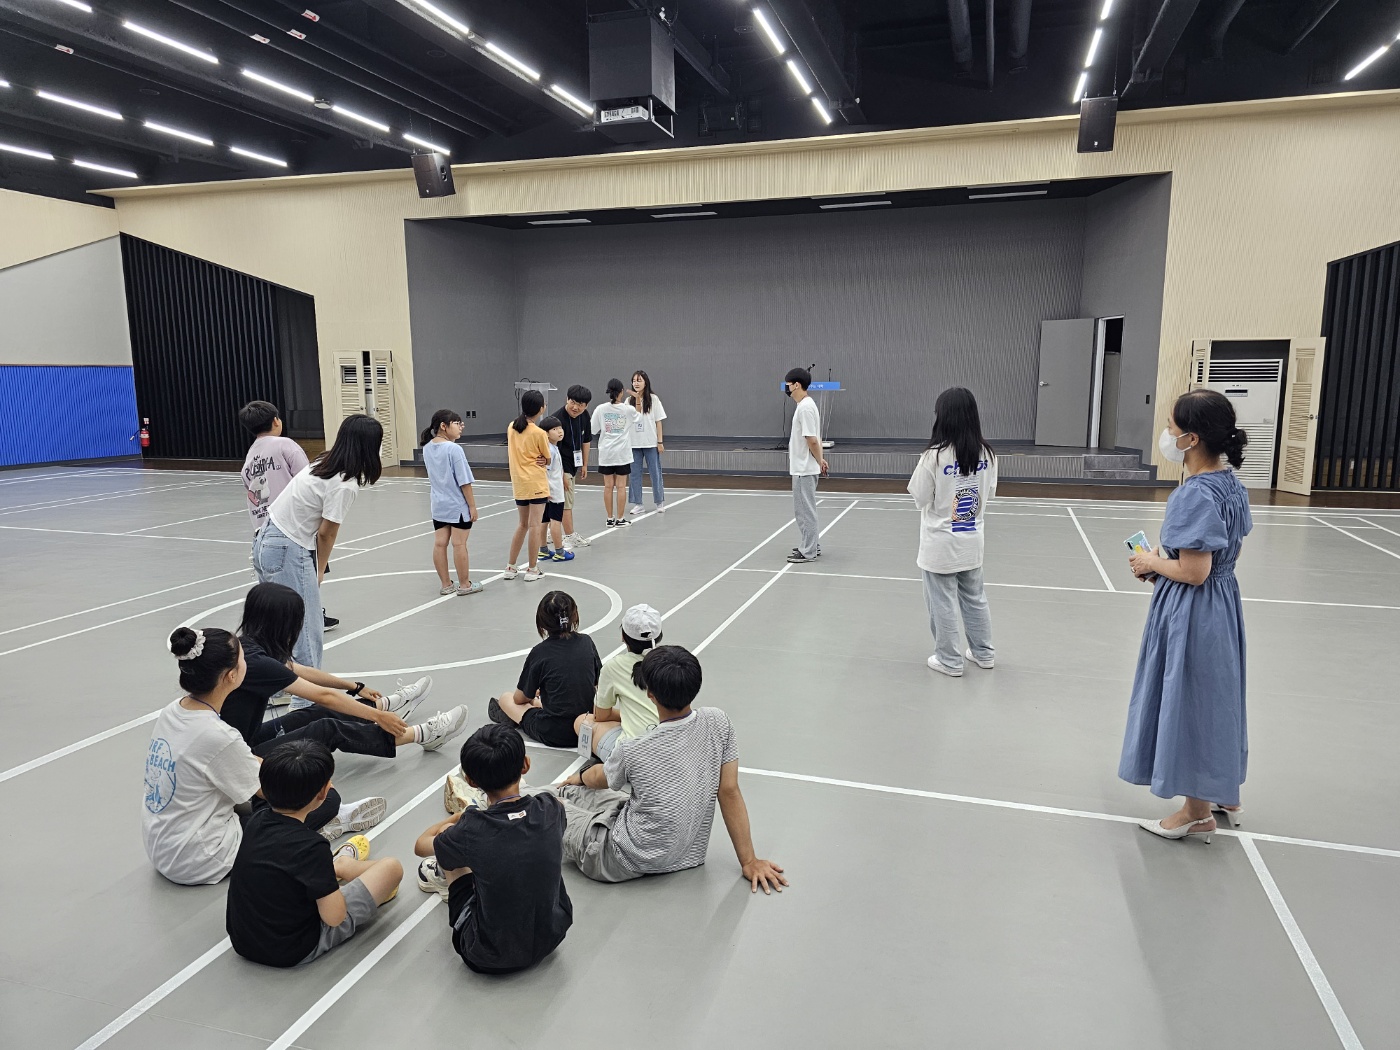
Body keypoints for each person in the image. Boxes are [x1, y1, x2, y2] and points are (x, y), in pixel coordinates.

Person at [221, 583, 469, 836]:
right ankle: (418, 734)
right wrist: (376, 717)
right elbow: (323, 695)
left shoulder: (248, 647)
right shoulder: (254, 662)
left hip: (243, 740)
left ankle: (385, 705)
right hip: (238, 756)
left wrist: (355, 687)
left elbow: (298, 671)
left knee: (314, 713)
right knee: (326, 728)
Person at [1122, 389, 1253, 843]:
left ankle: (1196, 810)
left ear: (1191, 439)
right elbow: (1211, 560)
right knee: (1216, 695)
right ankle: (1222, 786)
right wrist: (1167, 558)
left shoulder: (1193, 495)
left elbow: (1194, 572)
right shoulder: (1231, 483)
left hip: (1193, 611)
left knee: (1190, 697)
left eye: (1173, 430)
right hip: (1221, 604)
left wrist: (1151, 563)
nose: (1167, 435)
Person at [557, 645, 787, 892]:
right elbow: (729, 791)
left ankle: (536, 796)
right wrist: (749, 861)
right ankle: (558, 794)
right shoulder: (719, 722)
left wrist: (579, 776)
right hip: (686, 856)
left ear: (650, 694)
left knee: (544, 804)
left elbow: (598, 777)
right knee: (581, 796)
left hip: (617, 857)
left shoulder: (633, 749)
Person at [226, 740, 403, 968]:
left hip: (243, 942)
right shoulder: (312, 847)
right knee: (392, 867)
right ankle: (342, 865)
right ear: (324, 792)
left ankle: (336, 868)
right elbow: (334, 918)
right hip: (294, 950)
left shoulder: (255, 822)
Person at [412, 724, 573, 974]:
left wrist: (457, 818)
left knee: (449, 845)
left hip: (487, 955)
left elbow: (420, 846)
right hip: (552, 937)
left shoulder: (471, 828)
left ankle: (443, 879)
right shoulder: (550, 808)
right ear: (525, 765)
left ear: (470, 780)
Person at [253, 414, 383, 683]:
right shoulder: (345, 483)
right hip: (288, 548)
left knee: (277, 624)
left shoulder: (323, 462)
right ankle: (306, 701)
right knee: (307, 628)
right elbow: (327, 533)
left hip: (266, 537)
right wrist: (319, 570)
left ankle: (274, 688)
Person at [143, 626, 263, 885]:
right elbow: (268, 789)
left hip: (163, 847)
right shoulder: (217, 734)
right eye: (243, 659)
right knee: (312, 801)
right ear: (231, 676)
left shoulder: (171, 711)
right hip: (200, 859)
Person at [908, 387, 998, 678]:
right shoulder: (987, 454)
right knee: (975, 597)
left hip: (940, 544)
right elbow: (991, 494)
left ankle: (949, 659)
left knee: (941, 601)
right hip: (972, 540)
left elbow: (920, 498)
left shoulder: (933, 456)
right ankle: (983, 653)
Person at [239, 400, 337, 635]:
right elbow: (308, 479)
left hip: (262, 531)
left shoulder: (250, 456)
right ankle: (308, 617)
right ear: (276, 421)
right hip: (292, 525)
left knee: (275, 583)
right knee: (304, 575)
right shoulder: (286, 445)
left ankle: (287, 621)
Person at [487, 590, 601, 748]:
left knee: (506, 698)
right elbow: (595, 683)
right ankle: (538, 704)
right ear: (574, 616)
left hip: (554, 732)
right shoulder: (586, 642)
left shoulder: (539, 652)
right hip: (587, 723)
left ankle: (515, 716)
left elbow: (519, 699)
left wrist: (533, 697)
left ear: (541, 622)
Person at [573, 603, 662, 762]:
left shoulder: (614, 667)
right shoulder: (669, 661)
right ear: (659, 635)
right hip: (669, 744)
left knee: (583, 721)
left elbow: (601, 715)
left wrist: (626, 715)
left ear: (623, 636)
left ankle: (612, 764)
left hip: (635, 756)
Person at [421, 409, 483, 596]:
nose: (460, 427)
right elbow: (464, 481)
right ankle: (465, 584)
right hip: (457, 505)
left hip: (438, 505)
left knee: (440, 544)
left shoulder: (427, 448)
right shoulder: (454, 449)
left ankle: (446, 584)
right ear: (443, 426)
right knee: (459, 544)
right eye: (457, 423)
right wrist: (472, 506)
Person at [784, 368, 828, 564]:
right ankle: (810, 544)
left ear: (797, 384)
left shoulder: (805, 407)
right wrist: (821, 459)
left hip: (804, 468)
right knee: (804, 510)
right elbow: (815, 438)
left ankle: (809, 550)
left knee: (805, 511)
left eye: (788, 385)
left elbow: (811, 439)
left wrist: (819, 461)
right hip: (803, 467)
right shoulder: (805, 406)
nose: (787, 388)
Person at [505, 389, 551, 582]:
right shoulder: (539, 433)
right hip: (536, 483)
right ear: (541, 409)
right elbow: (547, 459)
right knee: (535, 526)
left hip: (519, 484)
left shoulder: (511, 427)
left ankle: (511, 566)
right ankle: (532, 568)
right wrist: (544, 460)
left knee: (522, 524)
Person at [591, 378, 639, 528]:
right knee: (621, 487)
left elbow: (593, 430)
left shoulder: (600, 409)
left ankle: (609, 518)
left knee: (608, 486)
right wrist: (637, 399)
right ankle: (620, 518)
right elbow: (639, 416)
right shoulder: (628, 409)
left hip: (606, 453)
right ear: (621, 392)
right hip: (622, 453)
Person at [556, 385, 593, 550]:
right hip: (560, 467)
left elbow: (586, 440)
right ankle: (569, 536)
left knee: (562, 501)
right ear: (567, 399)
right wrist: (562, 473)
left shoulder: (584, 416)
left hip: (574, 463)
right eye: (573, 402)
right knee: (566, 502)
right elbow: (552, 451)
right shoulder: (557, 420)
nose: (575, 407)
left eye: (580, 404)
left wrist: (584, 463)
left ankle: (554, 531)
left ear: (586, 406)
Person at [626, 370, 667, 516]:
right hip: (634, 444)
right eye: (634, 380)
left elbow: (658, 421)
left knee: (655, 473)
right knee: (634, 474)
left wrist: (660, 441)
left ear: (645, 382)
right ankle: (638, 504)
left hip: (651, 443)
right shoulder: (628, 401)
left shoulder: (653, 399)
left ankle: (659, 502)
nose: (636, 383)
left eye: (639, 380)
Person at [537, 415, 574, 563]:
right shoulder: (549, 450)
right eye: (554, 429)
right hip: (554, 492)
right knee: (555, 521)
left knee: (544, 521)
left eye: (560, 428)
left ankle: (543, 550)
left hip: (548, 491)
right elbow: (545, 471)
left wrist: (563, 478)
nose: (560, 431)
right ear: (545, 433)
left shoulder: (552, 447)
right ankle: (560, 551)